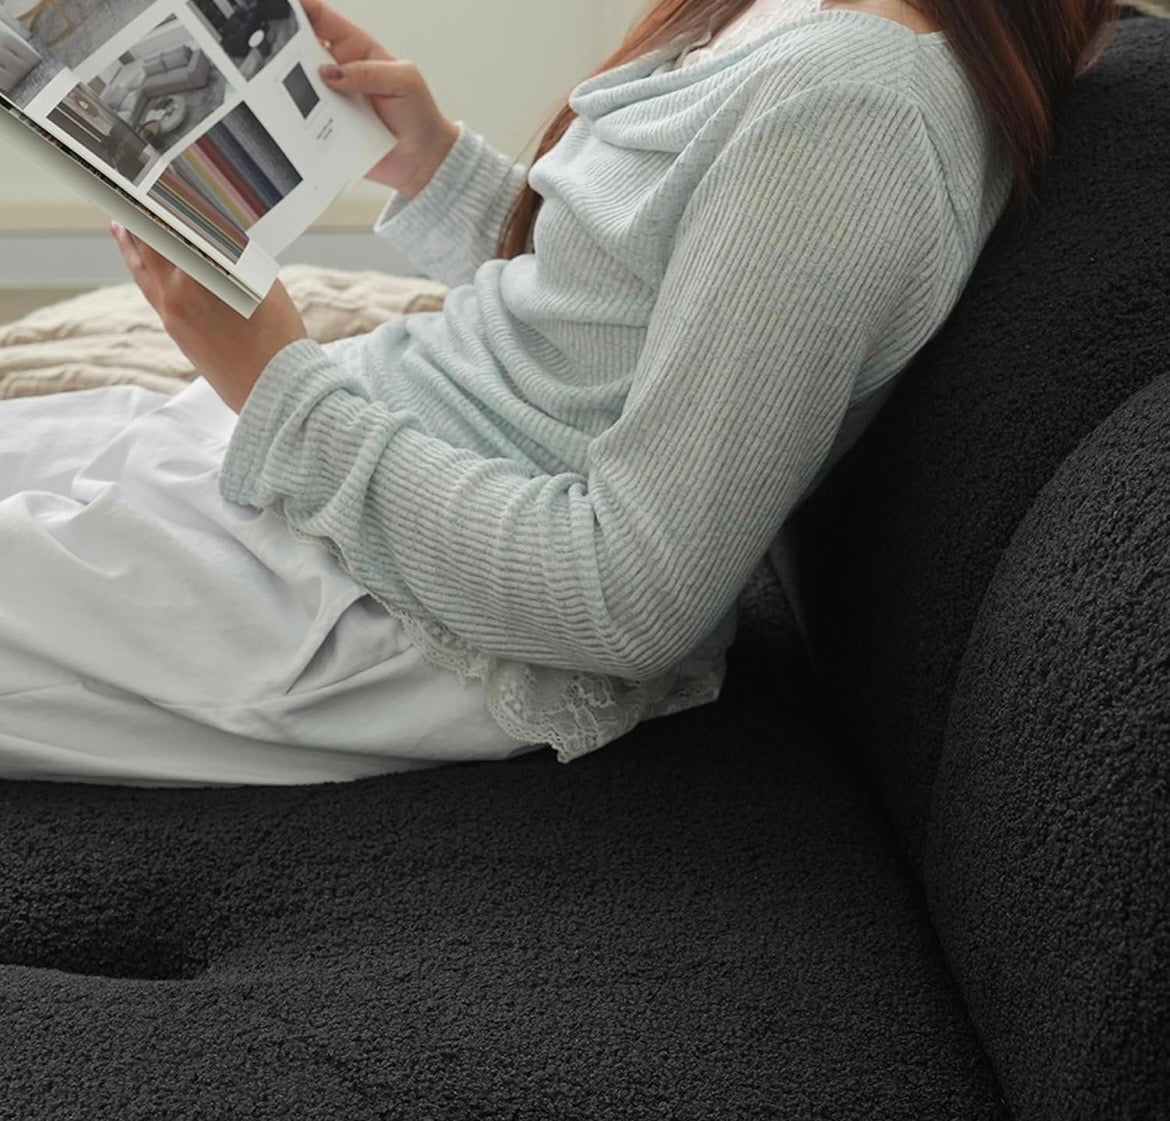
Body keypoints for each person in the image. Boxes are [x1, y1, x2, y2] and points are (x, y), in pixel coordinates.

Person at [0, 0, 1120, 787]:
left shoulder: (853, 112)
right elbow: (619, 314)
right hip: (368, 463)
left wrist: (279, 388)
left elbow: (631, 596)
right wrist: (436, 165)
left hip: (411, 603)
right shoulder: (814, 33)